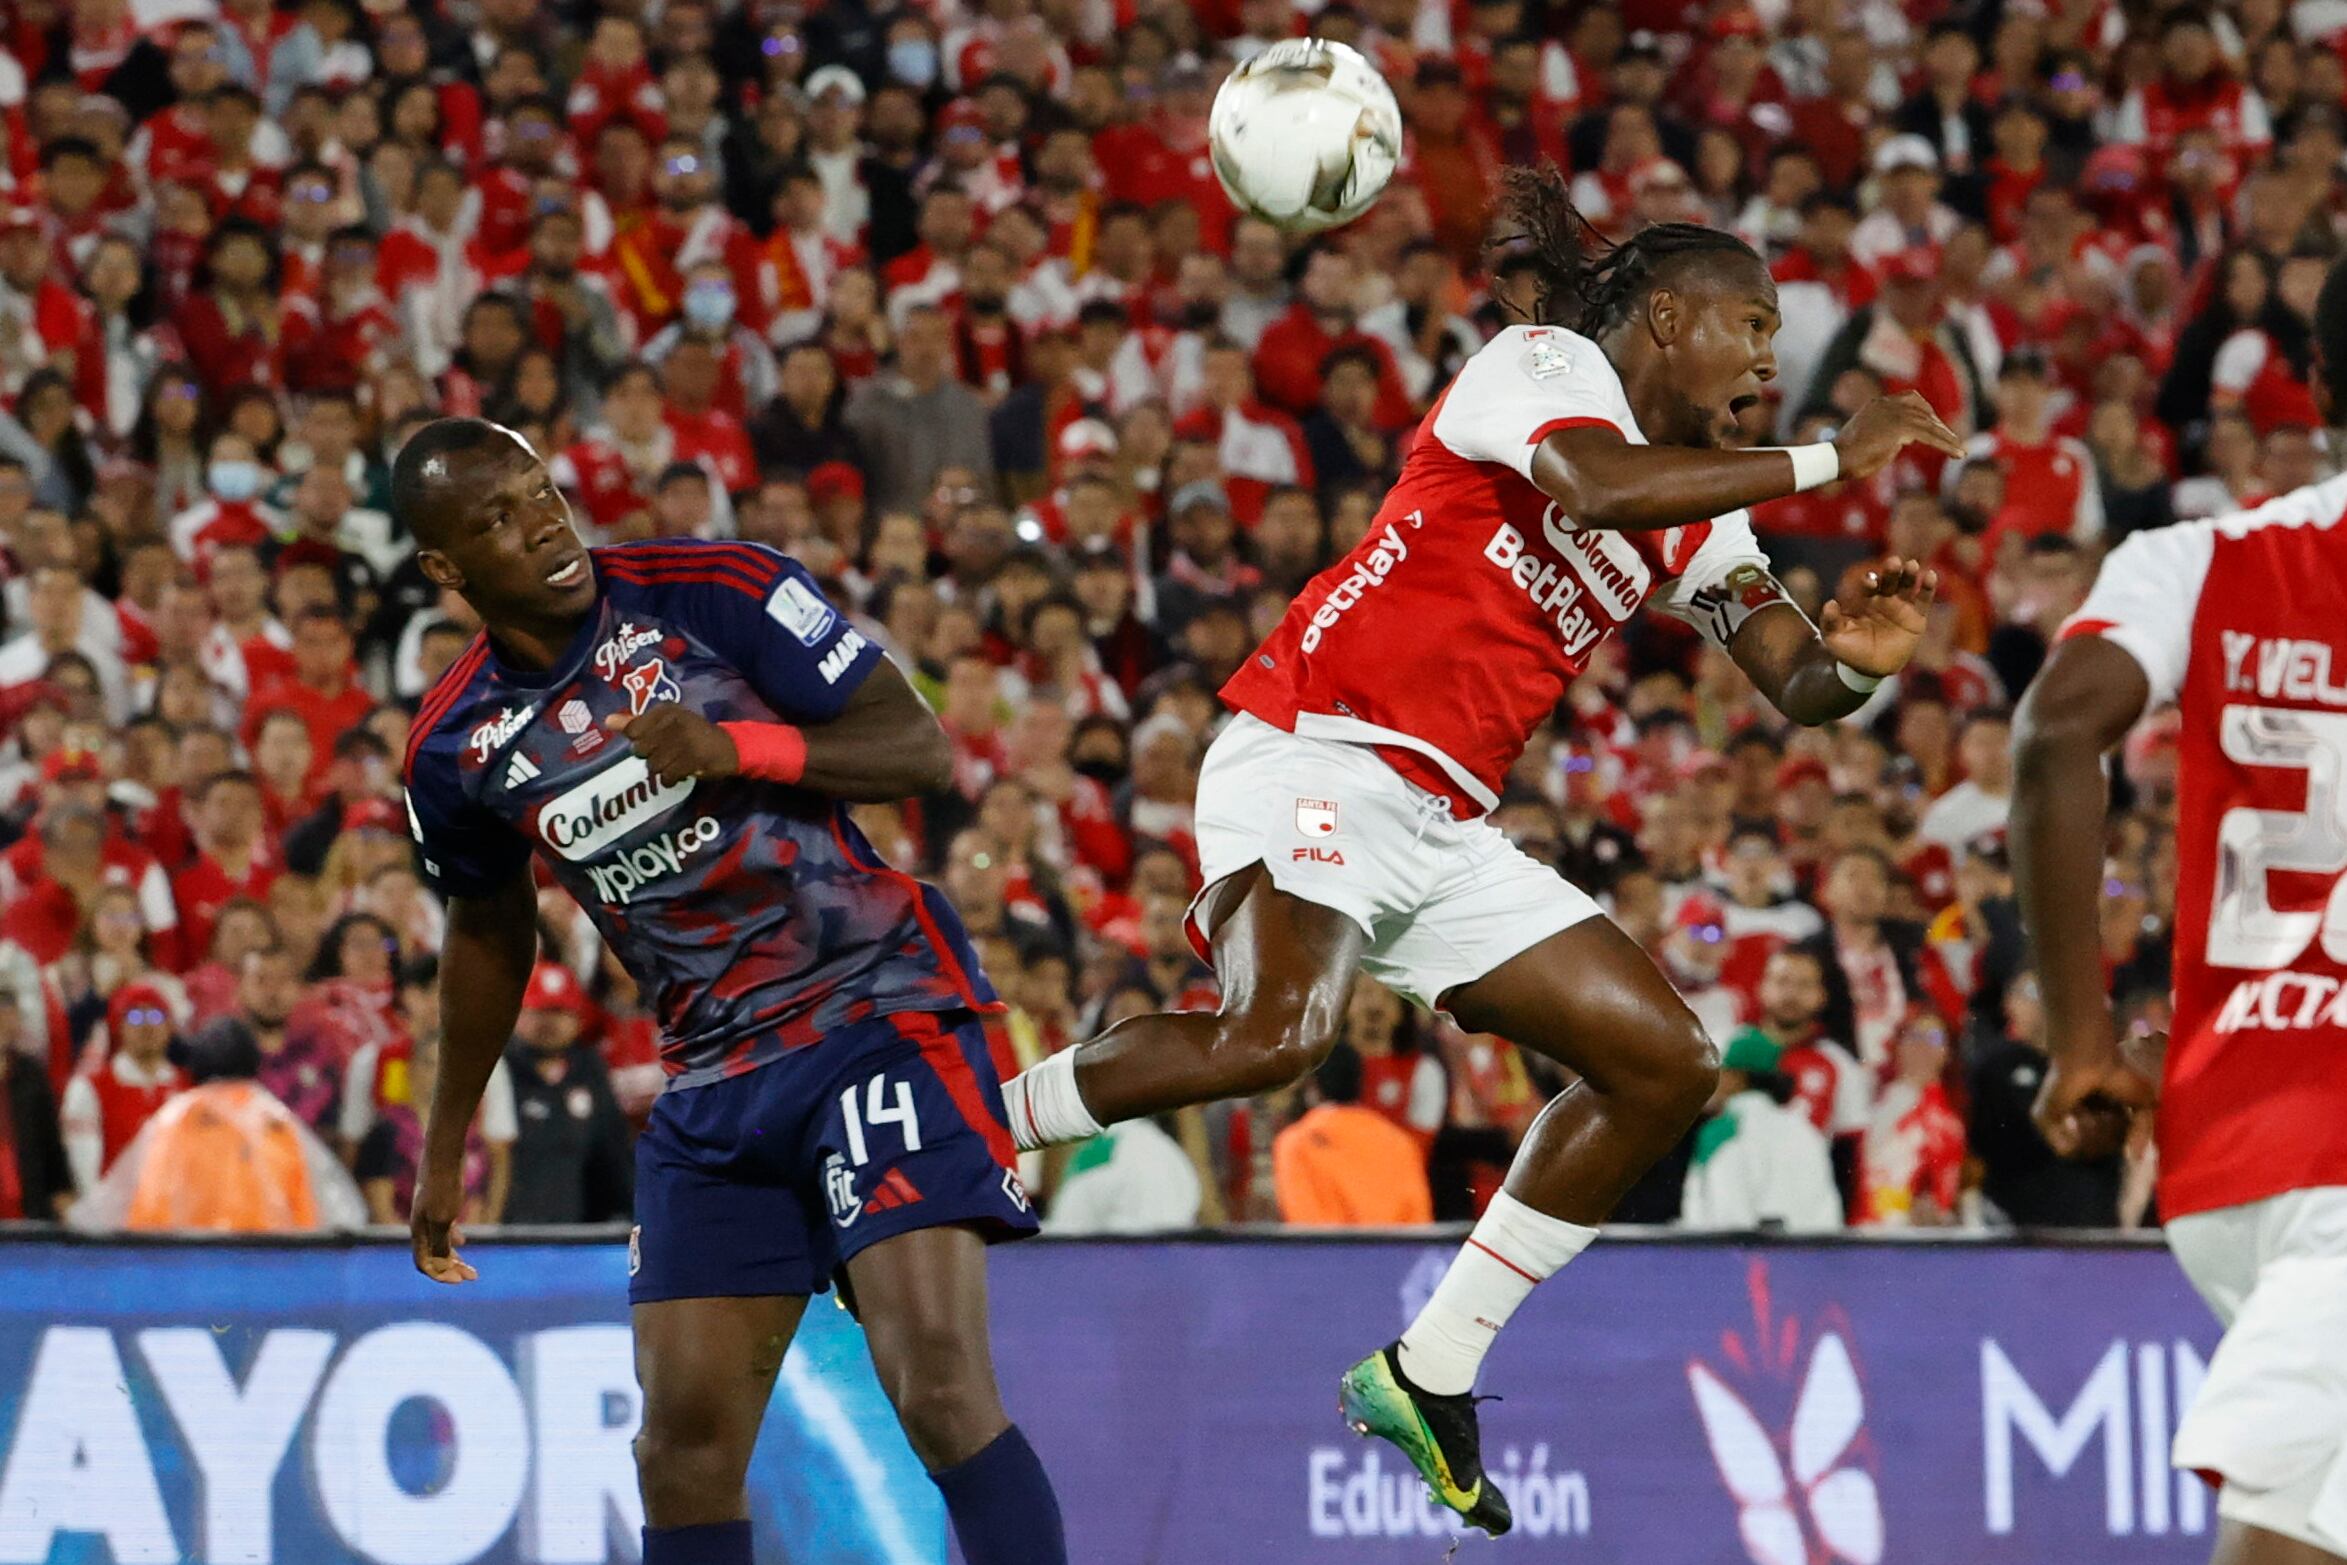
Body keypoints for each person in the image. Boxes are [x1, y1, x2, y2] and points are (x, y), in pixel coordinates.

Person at [997, 163, 1964, 1533]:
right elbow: (1594, 481)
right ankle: (981, 1117)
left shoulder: (1703, 505)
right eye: (1745, 325)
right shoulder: (1534, 366)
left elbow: (1790, 679)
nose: (1766, 356)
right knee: (1277, 1033)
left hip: (1439, 821)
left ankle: (1427, 1365)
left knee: (1663, 1061)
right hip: (1316, 749)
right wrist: (1828, 462)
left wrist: (1856, 662)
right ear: (1662, 315)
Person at [393, 419, 1065, 1565]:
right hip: (709, 1080)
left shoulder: (712, 589)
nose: (544, 524)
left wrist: (739, 746)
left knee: (935, 1384)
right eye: (498, 519)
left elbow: (914, 746)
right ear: (446, 571)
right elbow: (488, 929)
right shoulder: (457, 746)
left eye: (542, 492)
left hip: (873, 1012)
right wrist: (445, 1142)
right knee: (680, 1449)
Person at [2010, 252, 2347, 1565]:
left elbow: (2052, 736)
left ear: (2311, 386)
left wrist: (2078, 1040)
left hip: (2225, 1153)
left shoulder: (2198, 560)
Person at [1678, 1030, 1843, 1232]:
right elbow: (1827, 1210)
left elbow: (1716, 1212)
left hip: (1740, 1256)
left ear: (1736, 1077)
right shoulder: (1804, 1129)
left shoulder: (1724, 1130)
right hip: (1805, 1256)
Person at [1272, 1042, 1434, 1225]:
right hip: (1395, 1252)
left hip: (1333, 1252)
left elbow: (1305, 1224)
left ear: (1312, 1085)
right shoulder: (1398, 1141)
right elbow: (1419, 1224)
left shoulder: (1296, 1143)